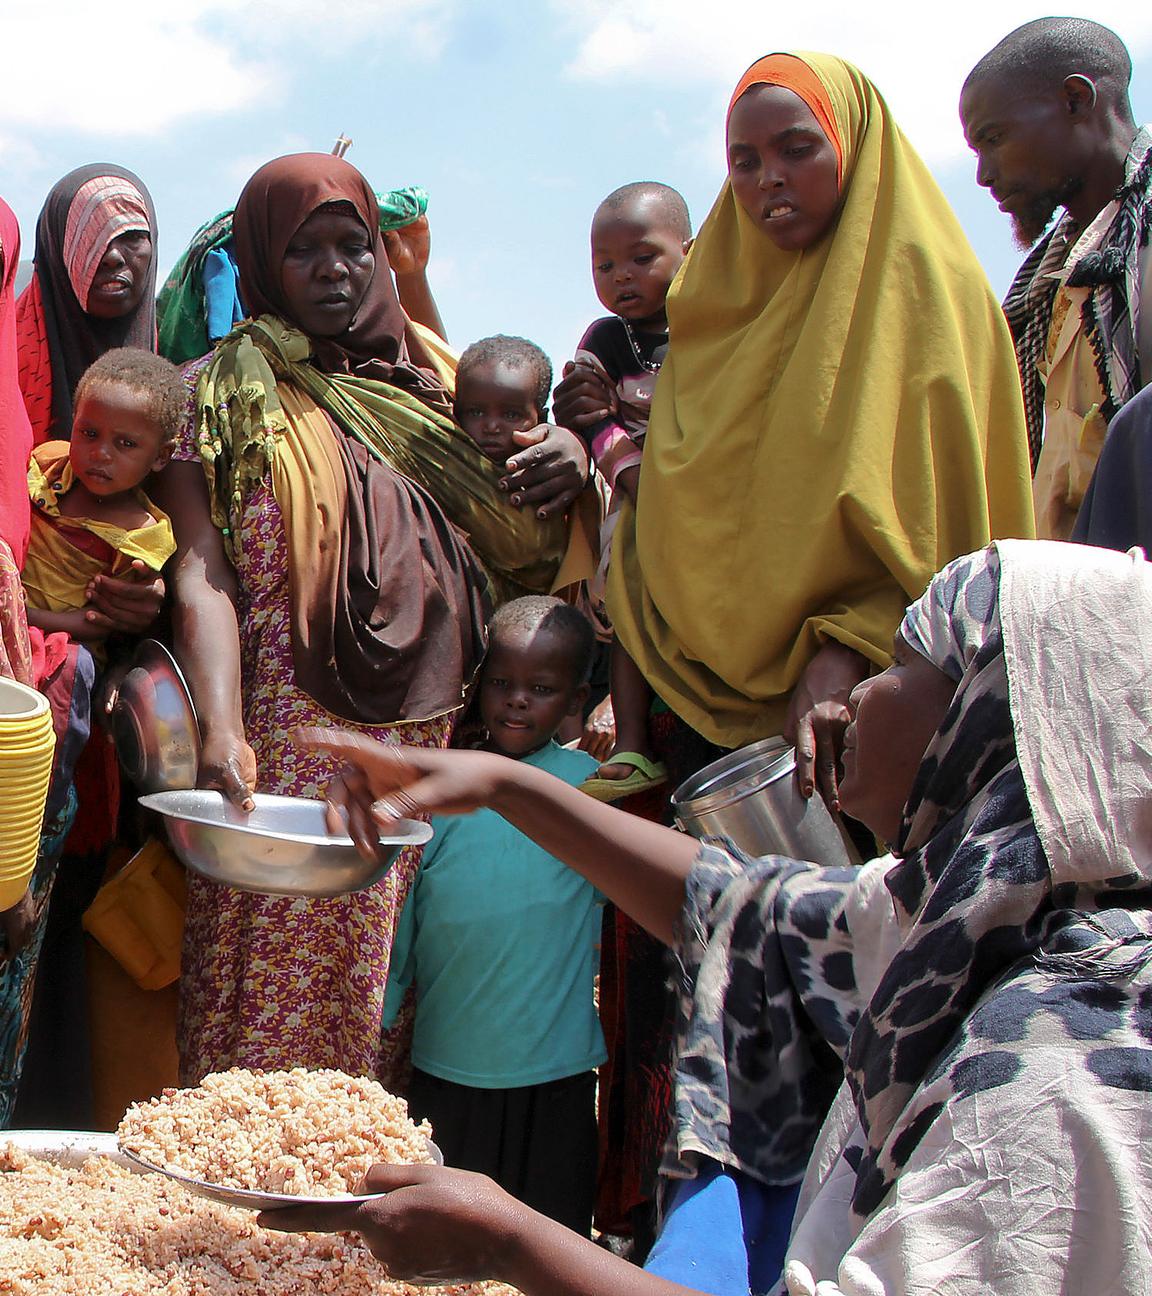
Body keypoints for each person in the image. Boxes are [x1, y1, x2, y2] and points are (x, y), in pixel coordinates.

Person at [265, 537, 1152, 1296]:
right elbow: (738, 906)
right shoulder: (971, 927)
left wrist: (507, 1242)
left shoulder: (1047, 1083)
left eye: (899, 665)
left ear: (988, 723)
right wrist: (501, 786)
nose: (854, 698)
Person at [552, 50, 1036, 1243]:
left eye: (797, 150)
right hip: (702, 725)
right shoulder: (713, 306)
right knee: (702, 1002)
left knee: (863, 1016)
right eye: (744, 160)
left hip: (868, 736)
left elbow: (930, 524)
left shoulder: (920, 285)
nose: (769, 181)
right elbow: (676, 493)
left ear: (855, 148)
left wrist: (847, 645)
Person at [158, 153, 592, 1086]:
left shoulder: (430, 394)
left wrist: (568, 454)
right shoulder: (213, 396)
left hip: (435, 754)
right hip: (287, 746)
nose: (333, 270)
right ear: (264, 261)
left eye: (353, 247)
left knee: (393, 1009)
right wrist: (224, 726)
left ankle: (373, 1222)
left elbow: (526, 525)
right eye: (303, 250)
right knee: (263, 1028)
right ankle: (242, 1221)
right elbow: (205, 573)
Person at [382, 596, 602, 1234]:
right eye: (502, 683)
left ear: (576, 696)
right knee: (449, 1241)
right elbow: (410, 912)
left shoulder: (591, 787)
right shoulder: (448, 789)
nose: (516, 701)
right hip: (448, 1064)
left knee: (551, 1235)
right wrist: (387, 1007)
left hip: (555, 1072)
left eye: (541, 688)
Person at [961, 18, 1152, 540]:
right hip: (1074, 602)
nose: (982, 174)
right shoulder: (1042, 287)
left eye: (993, 139)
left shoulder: (1141, 240)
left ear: (1074, 101)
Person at [21, 349, 180, 662]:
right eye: (89, 434)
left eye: (126, 444)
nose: (101, 453)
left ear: (161, 456)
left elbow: (100, 623)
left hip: (66, 647)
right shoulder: (47, 463)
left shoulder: (140, 535)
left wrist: (24, 616)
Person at [454, 335, 552, 465]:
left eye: (511, 415)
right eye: (476, 413)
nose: (492, 427)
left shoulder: (554, 476)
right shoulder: (434, 461)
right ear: (456, 412)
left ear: (541, 420)